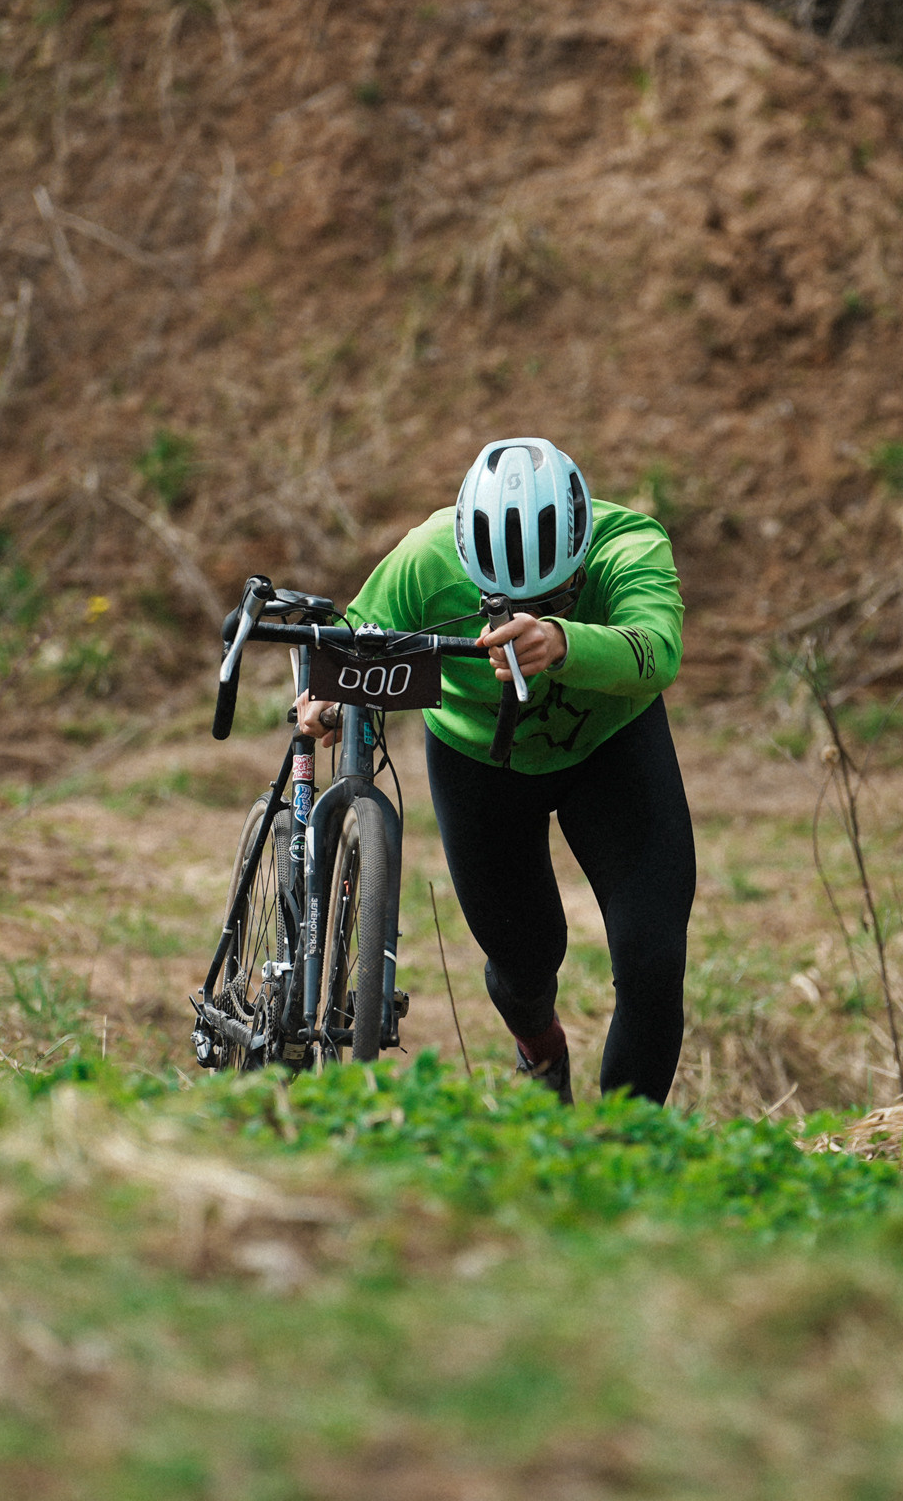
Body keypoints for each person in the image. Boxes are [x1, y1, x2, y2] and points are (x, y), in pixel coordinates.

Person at [298, 438, 695, 1104]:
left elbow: (659, 647)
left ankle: (630, 1142)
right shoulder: (425, 558)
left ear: (582, 554)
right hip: (479, 761)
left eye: (556, 597)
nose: (525, 614)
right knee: (525, 962)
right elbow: (356, 638)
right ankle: (540, 1051)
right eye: (498, 601)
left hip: (613, 748)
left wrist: (563, 641)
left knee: (653, 959)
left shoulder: (630, 543)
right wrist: (328, 694)